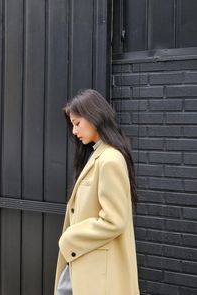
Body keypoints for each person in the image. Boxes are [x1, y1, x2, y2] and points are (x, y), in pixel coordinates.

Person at [54, 89, 140, 295]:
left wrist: (71, 237)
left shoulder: (109, 159)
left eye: (77, 123)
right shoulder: (99, 155)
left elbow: (114, 220)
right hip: (87, 263)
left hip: (96, 269)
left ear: (95, 117)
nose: (74, 131)